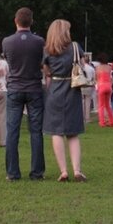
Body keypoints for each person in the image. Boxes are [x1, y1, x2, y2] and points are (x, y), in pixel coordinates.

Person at [2, 7, 45, 181]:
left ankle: (12, 173)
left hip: (14, 88)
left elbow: (8, 61)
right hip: (34, 88)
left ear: (16, 20)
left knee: (12, 131)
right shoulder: (39, 41)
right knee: (36, 131)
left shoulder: (7, 41)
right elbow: (42, 62)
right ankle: (37, 172)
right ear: (31, 21)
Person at [42, 19, 85, 181]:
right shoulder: (75, 46)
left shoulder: (47, 50)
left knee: (56, 132)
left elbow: (47, 71)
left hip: (55, 90)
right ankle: (77, 170)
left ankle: (63, 171)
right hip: (72, 89)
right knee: (73, 134)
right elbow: (81, 65)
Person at [95, 58, 113, 127]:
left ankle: (102, 122)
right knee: (107, 106)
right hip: (108, 87)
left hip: (101, 86)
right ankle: (112, 121)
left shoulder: (98, 68)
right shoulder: (109, 67)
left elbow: (97, 78)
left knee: (101, 106)